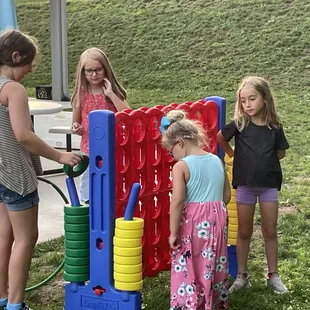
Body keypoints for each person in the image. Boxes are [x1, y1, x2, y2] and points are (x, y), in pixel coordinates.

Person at [0, 30, 82, 310]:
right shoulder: (12, 89)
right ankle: (15, 305)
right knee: (26, 238)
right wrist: (60, 155)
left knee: (4, 234)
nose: (31, 70)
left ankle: (2, 297)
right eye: (29, 63)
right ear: (15, 57)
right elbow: (24, 135)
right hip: (14, 174)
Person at [217, 76, 290, 294]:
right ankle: (241, 276)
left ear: (265, 99)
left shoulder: (275, 127)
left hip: (268, 186)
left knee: (269, 230)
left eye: (252, 99)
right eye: (243, 101)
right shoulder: (240, 125)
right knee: (244, 231)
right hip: (245, 187)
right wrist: (234, 155)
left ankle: (273, 275)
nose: (247, 104)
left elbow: (281, 153)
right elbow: (221, 138)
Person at [160, 110, 231, 310]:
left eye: (170, 151)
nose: (171, 156)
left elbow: (177, 201)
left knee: (189, 264)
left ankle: (190, 304)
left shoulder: (181, 166)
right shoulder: (217, 160)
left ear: (180, 143)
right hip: (217, 220)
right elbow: (226, 196)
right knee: (214, 261)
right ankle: (213, 302)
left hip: (193, 222)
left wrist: (173, 232)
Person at [71, 47, 129, 203]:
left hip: (113, 150)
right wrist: (77, 128)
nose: (94, 74)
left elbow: (128, 115)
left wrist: (110, 94)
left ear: (105, 69)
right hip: (89, 152)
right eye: (89, 71)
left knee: (113, 189)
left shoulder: (113, 92)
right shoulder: (80, 95)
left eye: (98, 70)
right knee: (89, 192)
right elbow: (75, 125)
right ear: (82, 72)